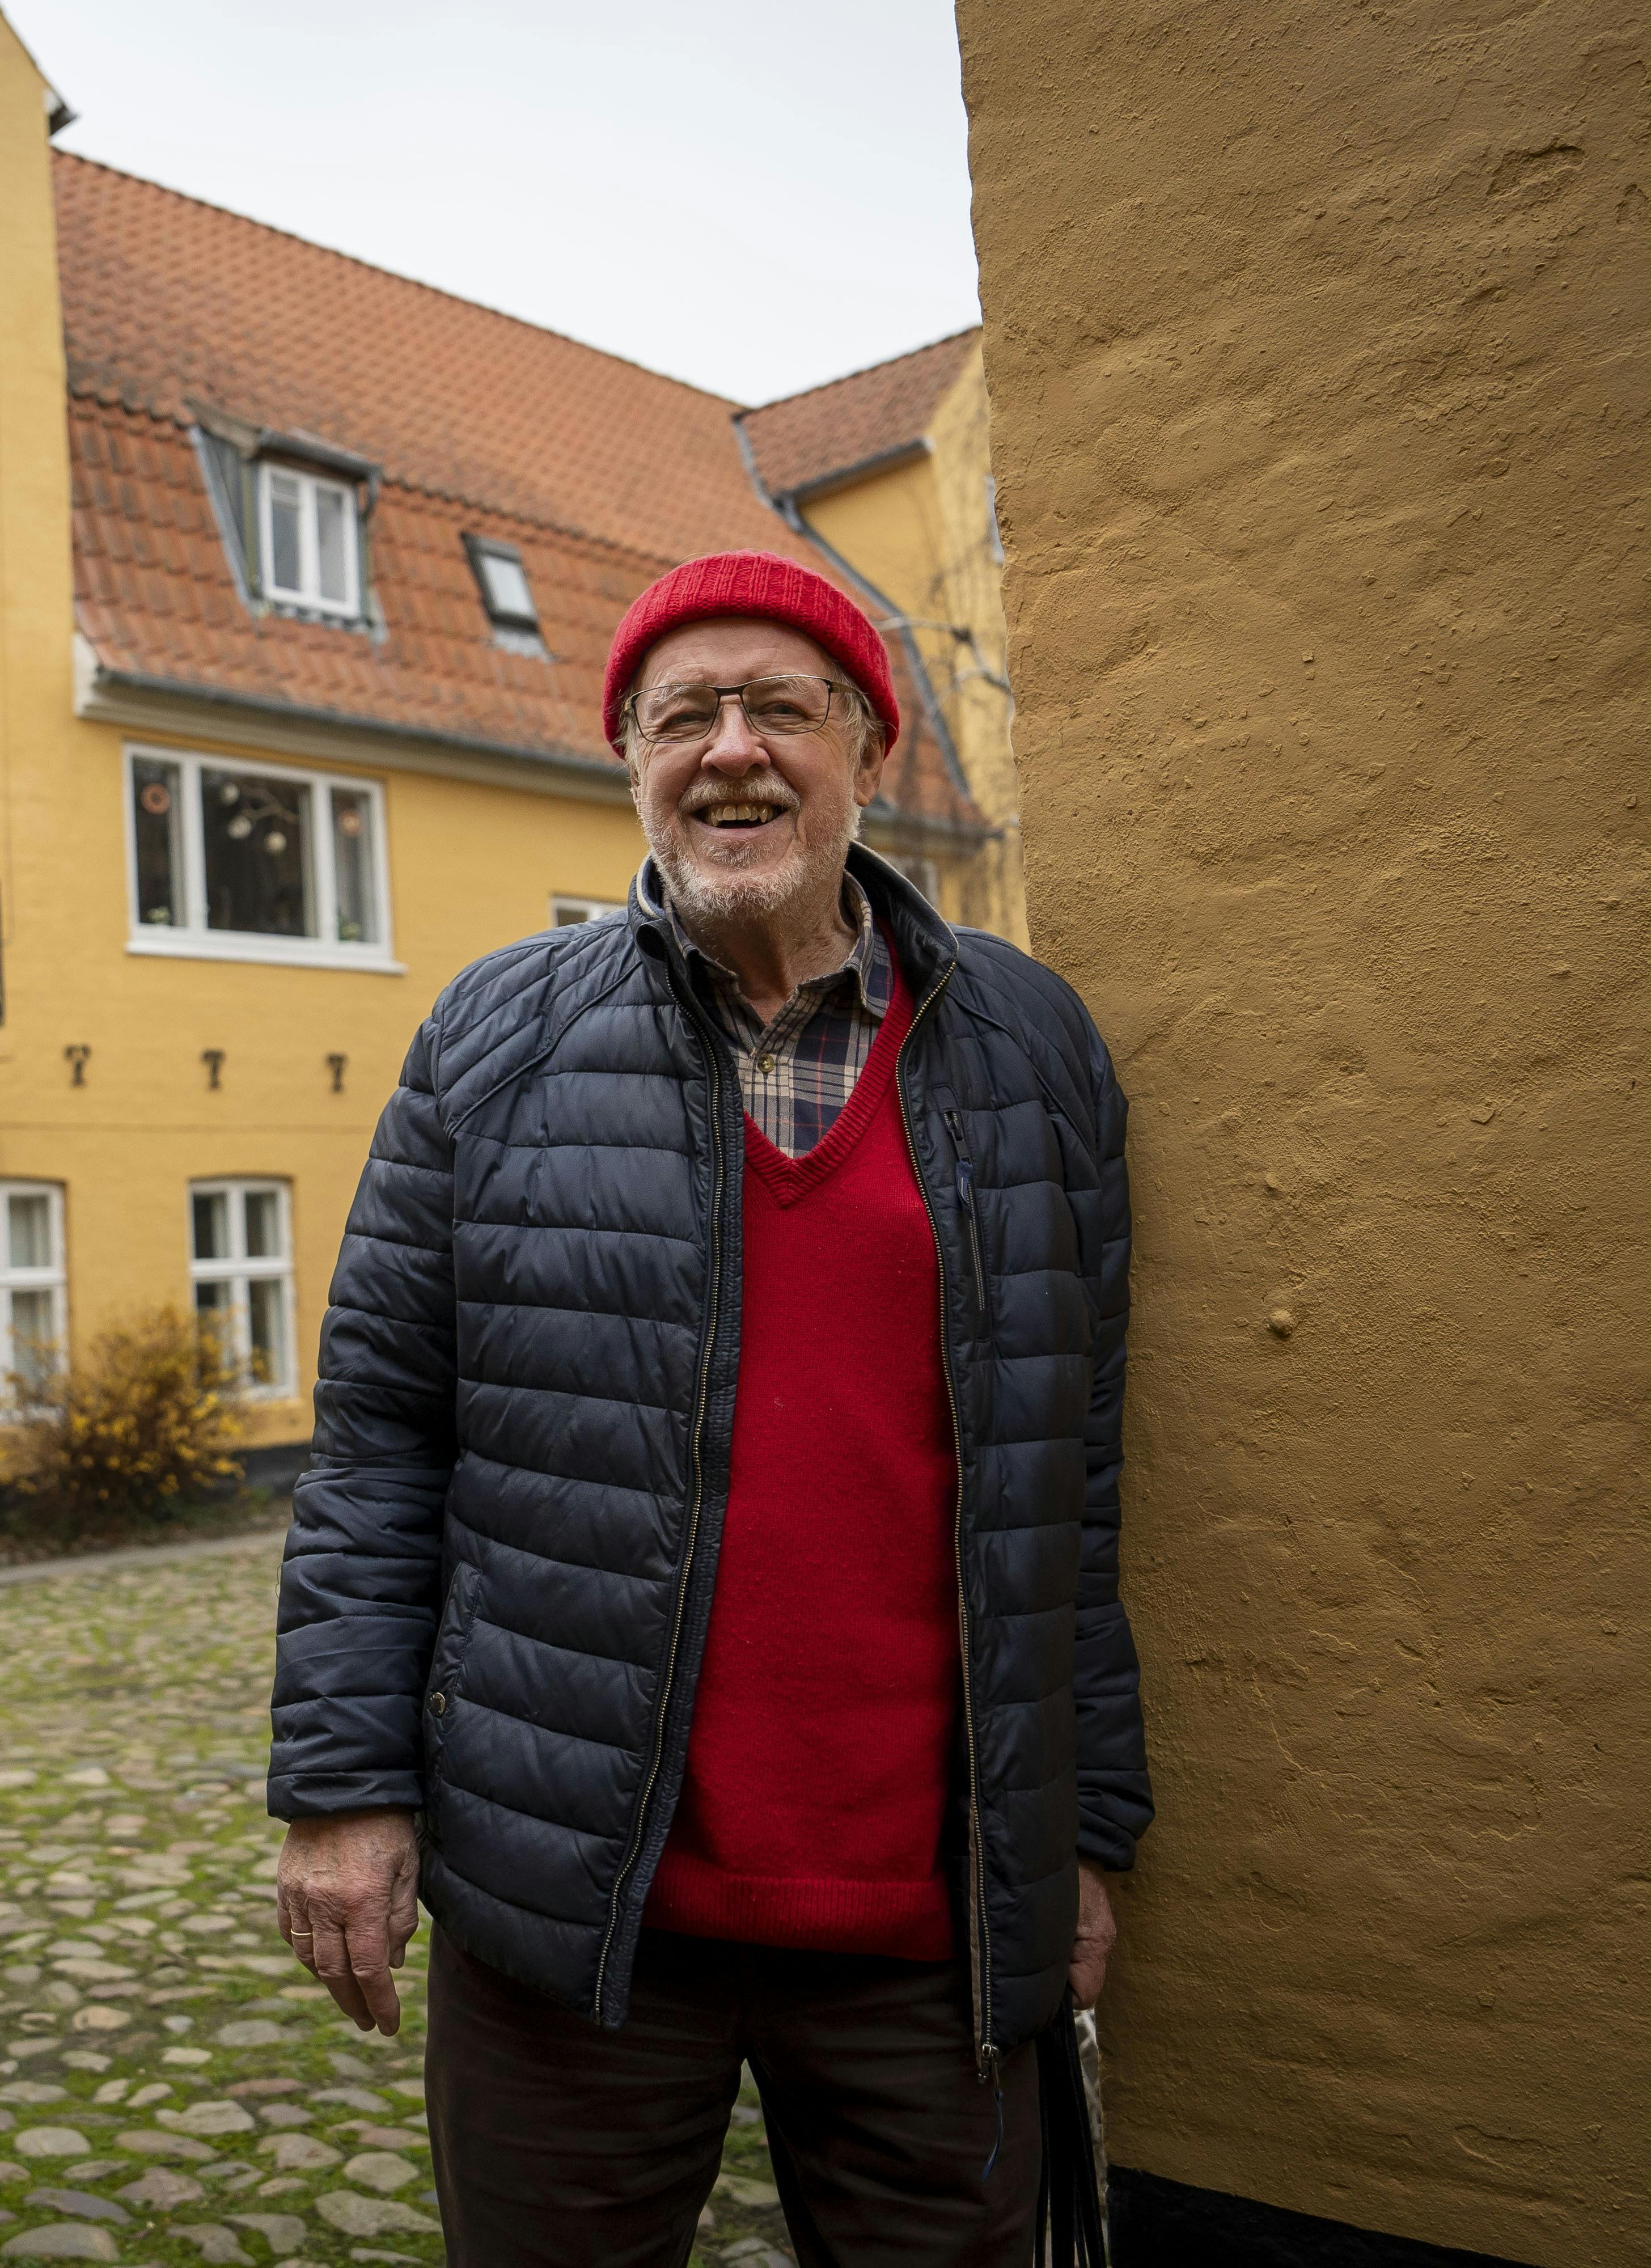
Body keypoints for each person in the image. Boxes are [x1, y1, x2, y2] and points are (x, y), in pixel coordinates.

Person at [268, 551, 1152, 2266]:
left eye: (782, 709)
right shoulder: (493, 1041)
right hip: (573, 1910)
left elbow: (1080, 1483)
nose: (730, 750)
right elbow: (379, 1445)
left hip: (931, 1927)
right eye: (683, 716)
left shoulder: (1033, 1051)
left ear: (871, 754)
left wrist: (1088, 1831)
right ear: (632, 761)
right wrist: (344, 1790)